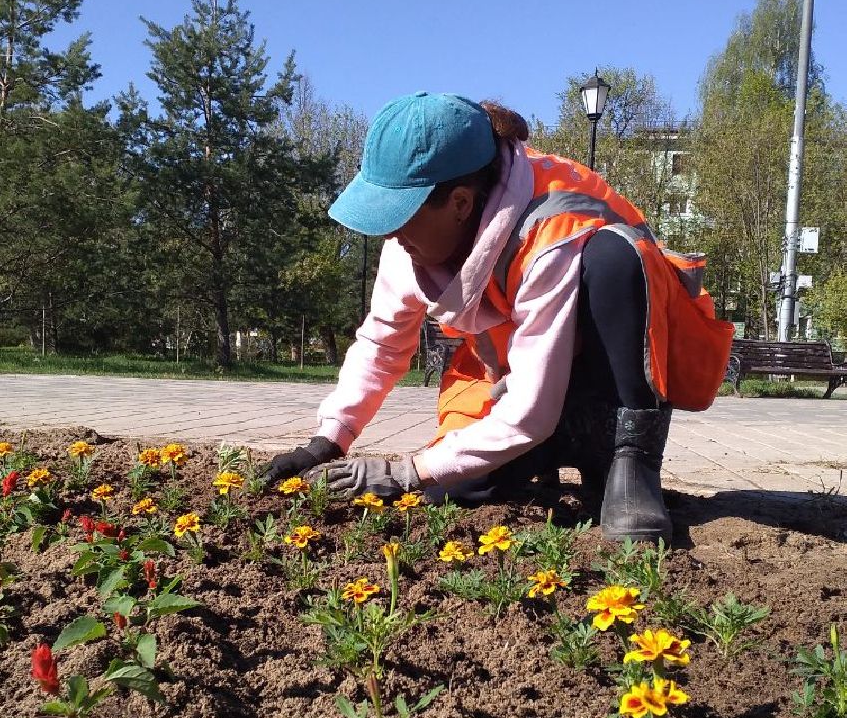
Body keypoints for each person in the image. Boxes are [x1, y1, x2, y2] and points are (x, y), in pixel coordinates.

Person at [266, 92, 733, 542]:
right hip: (515, 376)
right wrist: (328, 441)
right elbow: (382, 344)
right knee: (451, 484)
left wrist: (404, 470)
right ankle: (553, 452)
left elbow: (531, 411)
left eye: (400, 215)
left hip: (607, 371)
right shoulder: (407, 245)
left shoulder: (553, 225)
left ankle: (628, 460)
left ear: (461, 203)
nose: (391, 233)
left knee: (612, 259)